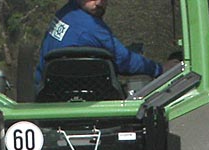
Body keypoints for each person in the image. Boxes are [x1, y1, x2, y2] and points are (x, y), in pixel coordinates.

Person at [35, 0, 163, 87]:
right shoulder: (94, 29)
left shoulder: (65, 14)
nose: (98, 3)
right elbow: (126, 62)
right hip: (90, 102)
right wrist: (160, 69)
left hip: (47, 94)